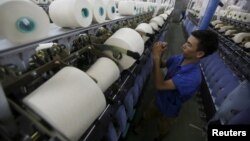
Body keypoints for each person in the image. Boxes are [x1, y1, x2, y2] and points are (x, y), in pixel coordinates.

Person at [134, 30, 218, 141]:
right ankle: (140, 126)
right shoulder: (181, 58)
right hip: (160, 97)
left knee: (164, 126)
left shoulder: (192, 78)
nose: (183, 45)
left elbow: (160, 85)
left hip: (170, 108)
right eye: (187, 41)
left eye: (189, 45)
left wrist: (156, 57)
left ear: (200, 54)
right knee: (147, 114)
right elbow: (163, 64)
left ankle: (160, 137)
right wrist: (161, 54)